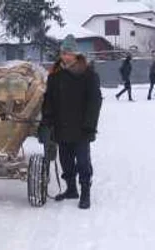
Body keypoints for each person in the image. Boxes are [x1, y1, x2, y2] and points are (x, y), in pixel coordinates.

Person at [39, 34, 102, 209]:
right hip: (61, 127)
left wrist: (90, 125)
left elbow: (95, 101)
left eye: (69, 53)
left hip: (82, 128)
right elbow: (49, 101)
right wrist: (46, 122)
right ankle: (71, 189)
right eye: (63, 52)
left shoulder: (88, 74)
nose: (65, 56)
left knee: (82, 161)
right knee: (65, 160)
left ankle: (85, 193)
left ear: (76, 55)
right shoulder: (55, 75)